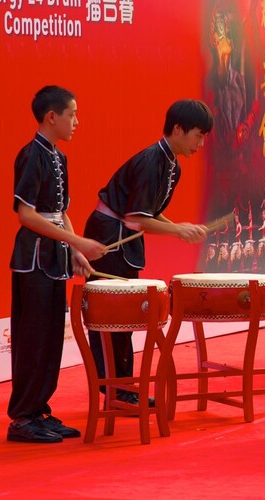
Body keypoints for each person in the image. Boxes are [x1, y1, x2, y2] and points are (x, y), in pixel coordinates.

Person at [84, 100, 213, 404]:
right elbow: (136, 219)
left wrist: (181, 227)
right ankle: (114, 388)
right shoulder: (151, 161)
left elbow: (148, 214)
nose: (201, 143)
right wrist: (178, 230)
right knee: (112, 316)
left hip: (124, 236)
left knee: (126, 317)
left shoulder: (171, 165)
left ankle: (121, 387)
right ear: (178, 129)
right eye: (198, 135)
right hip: (109, 235)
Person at [7, 86, 107, 443]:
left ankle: (39, 410)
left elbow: (60, 212)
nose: (76, 122)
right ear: (52, 116)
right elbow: (26, 215)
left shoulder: (59, 158)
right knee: (33, 337)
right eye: (72, 114)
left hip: (54, 256)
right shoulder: (31, 155)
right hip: (33, 257)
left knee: (51, 337)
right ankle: (21, 417)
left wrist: (76, 250)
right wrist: (75, 242)